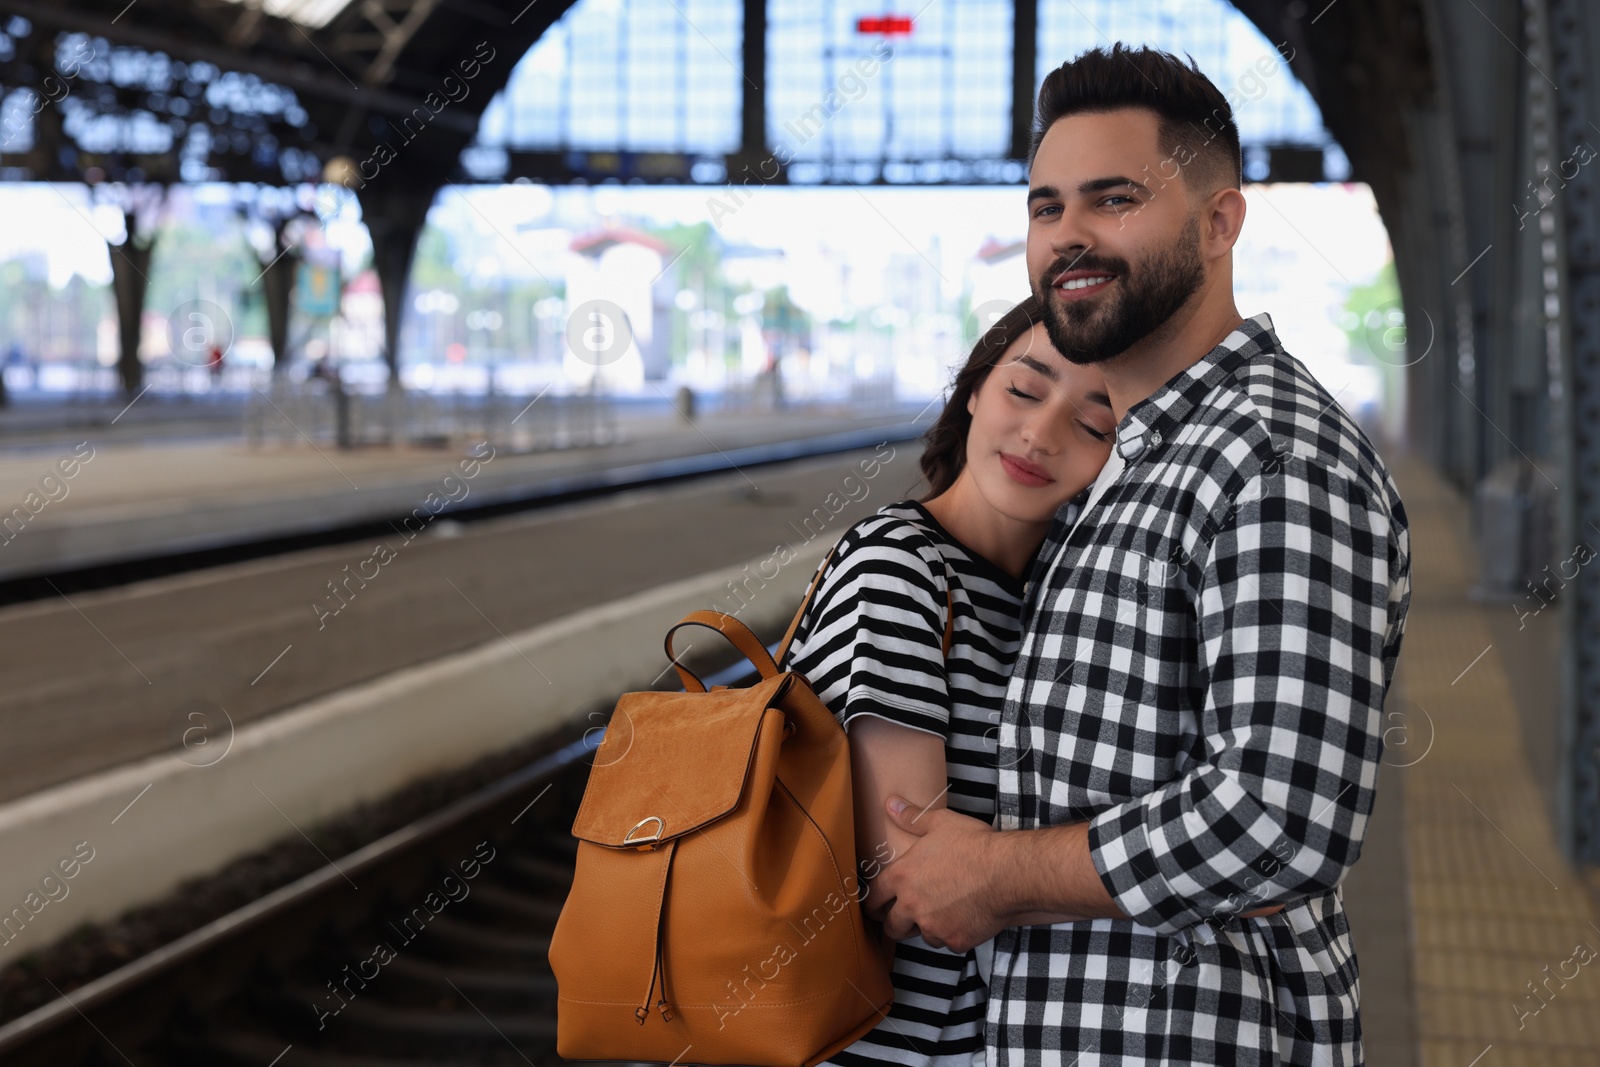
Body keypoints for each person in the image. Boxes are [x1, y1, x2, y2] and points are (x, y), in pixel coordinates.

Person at [870, 45, 1412, 1067]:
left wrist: (994, 873)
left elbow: (1276, 815)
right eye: (1044, 206)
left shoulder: (1275, 458)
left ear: (1219, 222)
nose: (1067, 235)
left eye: (1112, 199)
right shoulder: (1134, 460)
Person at [780, 295, 1115, 1067]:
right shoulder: (901, 568)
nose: (1040, 433)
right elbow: (906, 879)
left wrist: (1010, 868)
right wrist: (1157, 871)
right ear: (973, 392)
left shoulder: (1053, 597)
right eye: (1023, 391)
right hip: (882, 1043)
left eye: (1094, 423)